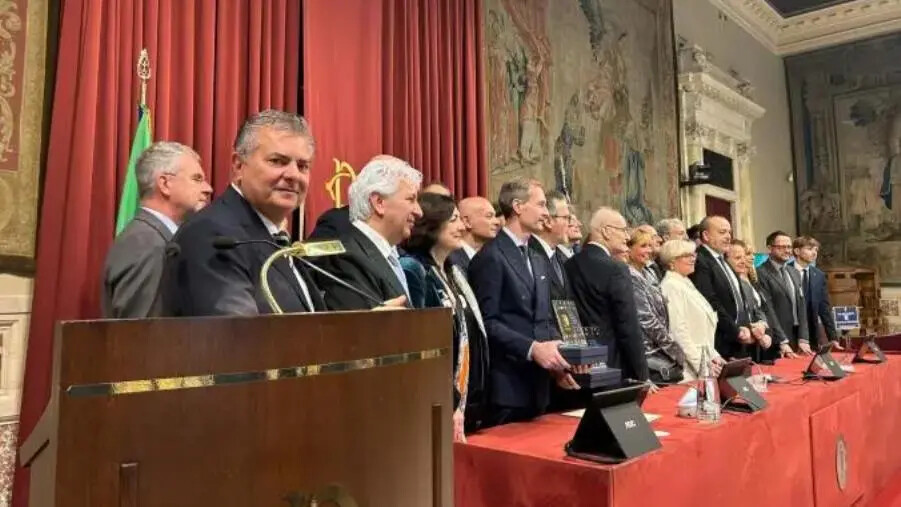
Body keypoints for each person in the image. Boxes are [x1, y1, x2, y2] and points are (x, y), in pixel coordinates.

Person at [164, 111, 337, 316]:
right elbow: (237, 338)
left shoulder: (273, 238)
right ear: (238, 166)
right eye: (277, 161)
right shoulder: (214, 236)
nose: (293, 175)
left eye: (302, 166)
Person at [468, 177, 575, 426]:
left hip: (539, 387)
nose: (545, 213)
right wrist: (532, 349)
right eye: (540, 205)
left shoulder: (537, 258)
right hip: (507, 391)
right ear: (517, 206)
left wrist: (555, 363)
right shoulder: (491, 257)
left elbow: (543, 316)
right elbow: (486, 323)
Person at [399, 193, 489, 441]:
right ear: (431, 224)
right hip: (436, 402)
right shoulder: (414, 270)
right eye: (454, 220)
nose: (462, 227)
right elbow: (420, 344)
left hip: (466, 400)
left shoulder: (454, 272)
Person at [102, 141, 212, 318]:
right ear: (165, 183)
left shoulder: (157, 239)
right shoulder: (146, 245)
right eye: (197, 179)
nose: (208, 189)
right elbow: (143, 333)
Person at [313, 155, 422, 310]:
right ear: (379, 203)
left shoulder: (386, 255)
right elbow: (355, 329)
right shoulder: (348, 258)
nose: (419, 212)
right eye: (411, 199)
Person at [565, 207, 650, 383]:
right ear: (606, 231)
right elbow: (628, 326)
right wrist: (642, 375)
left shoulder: (568, 264)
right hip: (613, 366)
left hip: (578, 364)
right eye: (623, 230)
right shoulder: (616, 268)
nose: (627, 237)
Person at [659, 240, 725, 381]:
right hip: (689, 369)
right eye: (686, 255)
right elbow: (678, 332)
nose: (693, 258)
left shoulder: (685, 282)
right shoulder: (671, 286)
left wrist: (715, 356)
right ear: (672, 261)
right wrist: (701, 366)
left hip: (705, 362)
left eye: (693, 254)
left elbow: (702, 331)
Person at [625, 229, 685, 384]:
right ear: (629, 248)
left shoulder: (648, 273)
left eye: (650, 246)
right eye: (643, 246)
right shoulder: (629, 276)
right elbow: (645, 318)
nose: (649, 251)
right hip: (648, 353)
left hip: (661, 348)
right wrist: (673, 348)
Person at [689, 216, 753, 359]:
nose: (728, 237)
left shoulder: (722, 260)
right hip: (720, 342)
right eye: (722, 232)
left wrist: (746, 327)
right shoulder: (700, 260)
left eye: (729, 232)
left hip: (737, 340)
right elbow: (710, 301)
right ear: (705, 235)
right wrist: (735, 331)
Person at [725, 239, 796, 361]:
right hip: (741, 342)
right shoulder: (734, 281)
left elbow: (762, 309)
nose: (751, 258)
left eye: (751, 254)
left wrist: (765, 329)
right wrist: (757, 331)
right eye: (747, 254)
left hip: (760, 341)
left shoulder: (753, 279)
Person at [757, 231, 812, 355]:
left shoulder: (794, 272)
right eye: (782, 247)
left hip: (797, 338)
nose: (787, 251)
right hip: (777, 339)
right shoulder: (761, 273)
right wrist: (782, 340)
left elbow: (802, 307)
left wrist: (803, 338)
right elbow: (768, 309)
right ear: (770, 248)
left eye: (789, 247)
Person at [793, 236, 841, 349]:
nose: (814, 253)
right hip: (791, 332)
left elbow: (824, 308)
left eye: (816, 250)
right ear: (797, 251)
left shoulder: (819, 275)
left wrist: (833, 337)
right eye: (810, 249)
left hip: (812, 334)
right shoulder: (785, 272)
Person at [529, 190, 572, 304]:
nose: (570, 223)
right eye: (566, 218)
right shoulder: (528, 254)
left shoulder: (562, 258)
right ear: (548, 221)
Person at [451, 196, 500, 272]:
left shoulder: (494, 257)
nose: (497, 222)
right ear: (467, 222)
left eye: (495, 216)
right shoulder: (451, 261)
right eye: (489, 216)